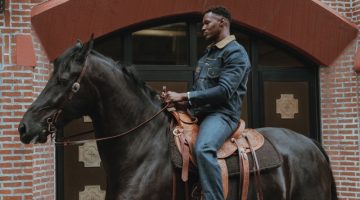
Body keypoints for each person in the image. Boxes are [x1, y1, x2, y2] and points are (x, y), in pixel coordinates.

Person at [164, 6, 251, 200]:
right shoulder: (206, 57)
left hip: (222, 115)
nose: (202, 28)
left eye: (207, 23)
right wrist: (179, 104)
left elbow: (224, 91)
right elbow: (201, 93)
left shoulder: (235, 53)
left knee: (203, 148)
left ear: (222, 22)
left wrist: (185, 96)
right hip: (199, 115)